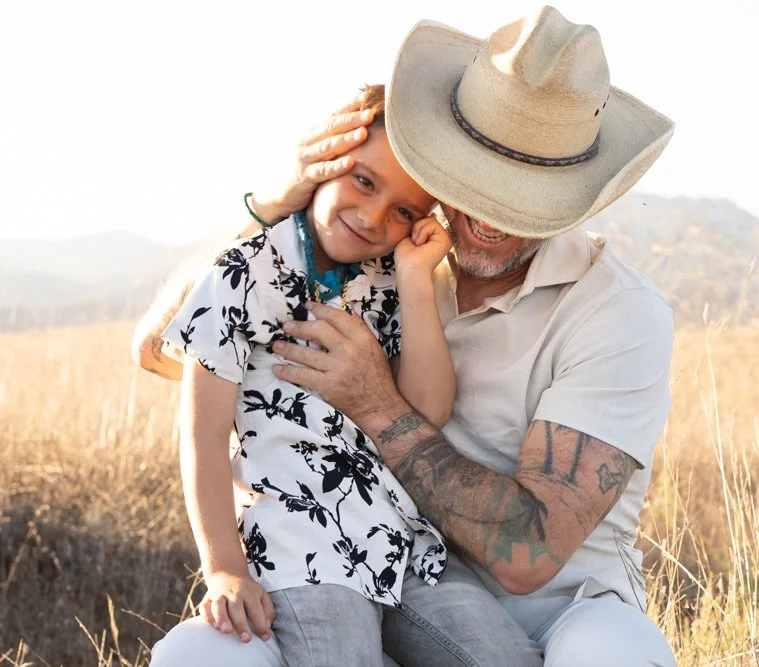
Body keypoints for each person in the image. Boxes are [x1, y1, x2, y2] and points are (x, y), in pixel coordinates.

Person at [136, 6, 677, 665]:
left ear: (570, 195)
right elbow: (159, 346)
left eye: (525, 194)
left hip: (549, 612)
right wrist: (278, 205)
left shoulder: (615, 309)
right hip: (338, 558)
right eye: (475, 175)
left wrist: (376, 399)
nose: (489, 212)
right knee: (202, 656)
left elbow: (529, 556)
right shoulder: (383, 257)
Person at [147, 85, 543, 667]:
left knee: (505, 659)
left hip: (404, 546)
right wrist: (225, 569)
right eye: (363, 181)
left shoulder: (392, 280)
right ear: (325, 164)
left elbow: (427, 410)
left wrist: (412, 277)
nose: (373, 215)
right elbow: (202, 437)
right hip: (300, 547)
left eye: (403, 211)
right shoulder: (242, 273)